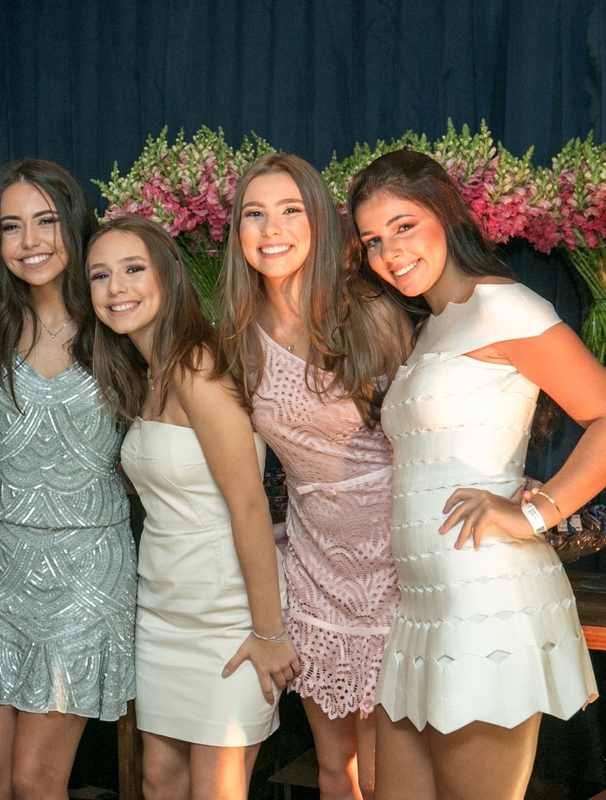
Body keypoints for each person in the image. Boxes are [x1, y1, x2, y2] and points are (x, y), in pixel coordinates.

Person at [347, 150, 606, 800]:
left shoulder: (503, 306)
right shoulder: (431, 325)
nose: (389, 252)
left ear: (447, 215)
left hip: (483, 603)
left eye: (403, 226)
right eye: (372, 240)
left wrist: (533, 512)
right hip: (422, 606)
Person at [218, 153, 410, 800]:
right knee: (334, 771)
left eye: (290, 210)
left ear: (320, 223)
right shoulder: (238, 337)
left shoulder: (370, 311)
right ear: (238, 232)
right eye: (254, 213)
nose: (271, 228)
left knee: (386, 779)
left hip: (394, 564)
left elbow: (426, 428)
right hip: (315, 567)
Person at [89, 214, 298, 800]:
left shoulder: (196, 364)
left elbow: (249, 505)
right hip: (163, 612)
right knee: (159, 782)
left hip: (228, 616)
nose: (116, 287)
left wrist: (269, 631)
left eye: (133, 269)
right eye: (100, 275)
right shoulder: (148, 373)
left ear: (169, 276)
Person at [0, 159, 136, 800]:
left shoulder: (118, 321)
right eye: (11, 226)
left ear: (75, 224)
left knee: (36, 783)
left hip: (84, 574)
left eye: (46, 221)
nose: (30, 241)